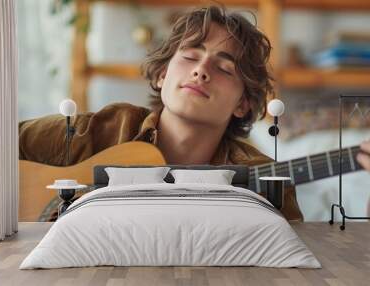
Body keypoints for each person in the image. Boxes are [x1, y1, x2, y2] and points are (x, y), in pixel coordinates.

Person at [19, 5, 302, 221]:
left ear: (243, 103)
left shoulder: (268, 182)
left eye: (224, 68)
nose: (201, 70)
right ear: (162, 74)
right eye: (191, 56)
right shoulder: (99, 130)